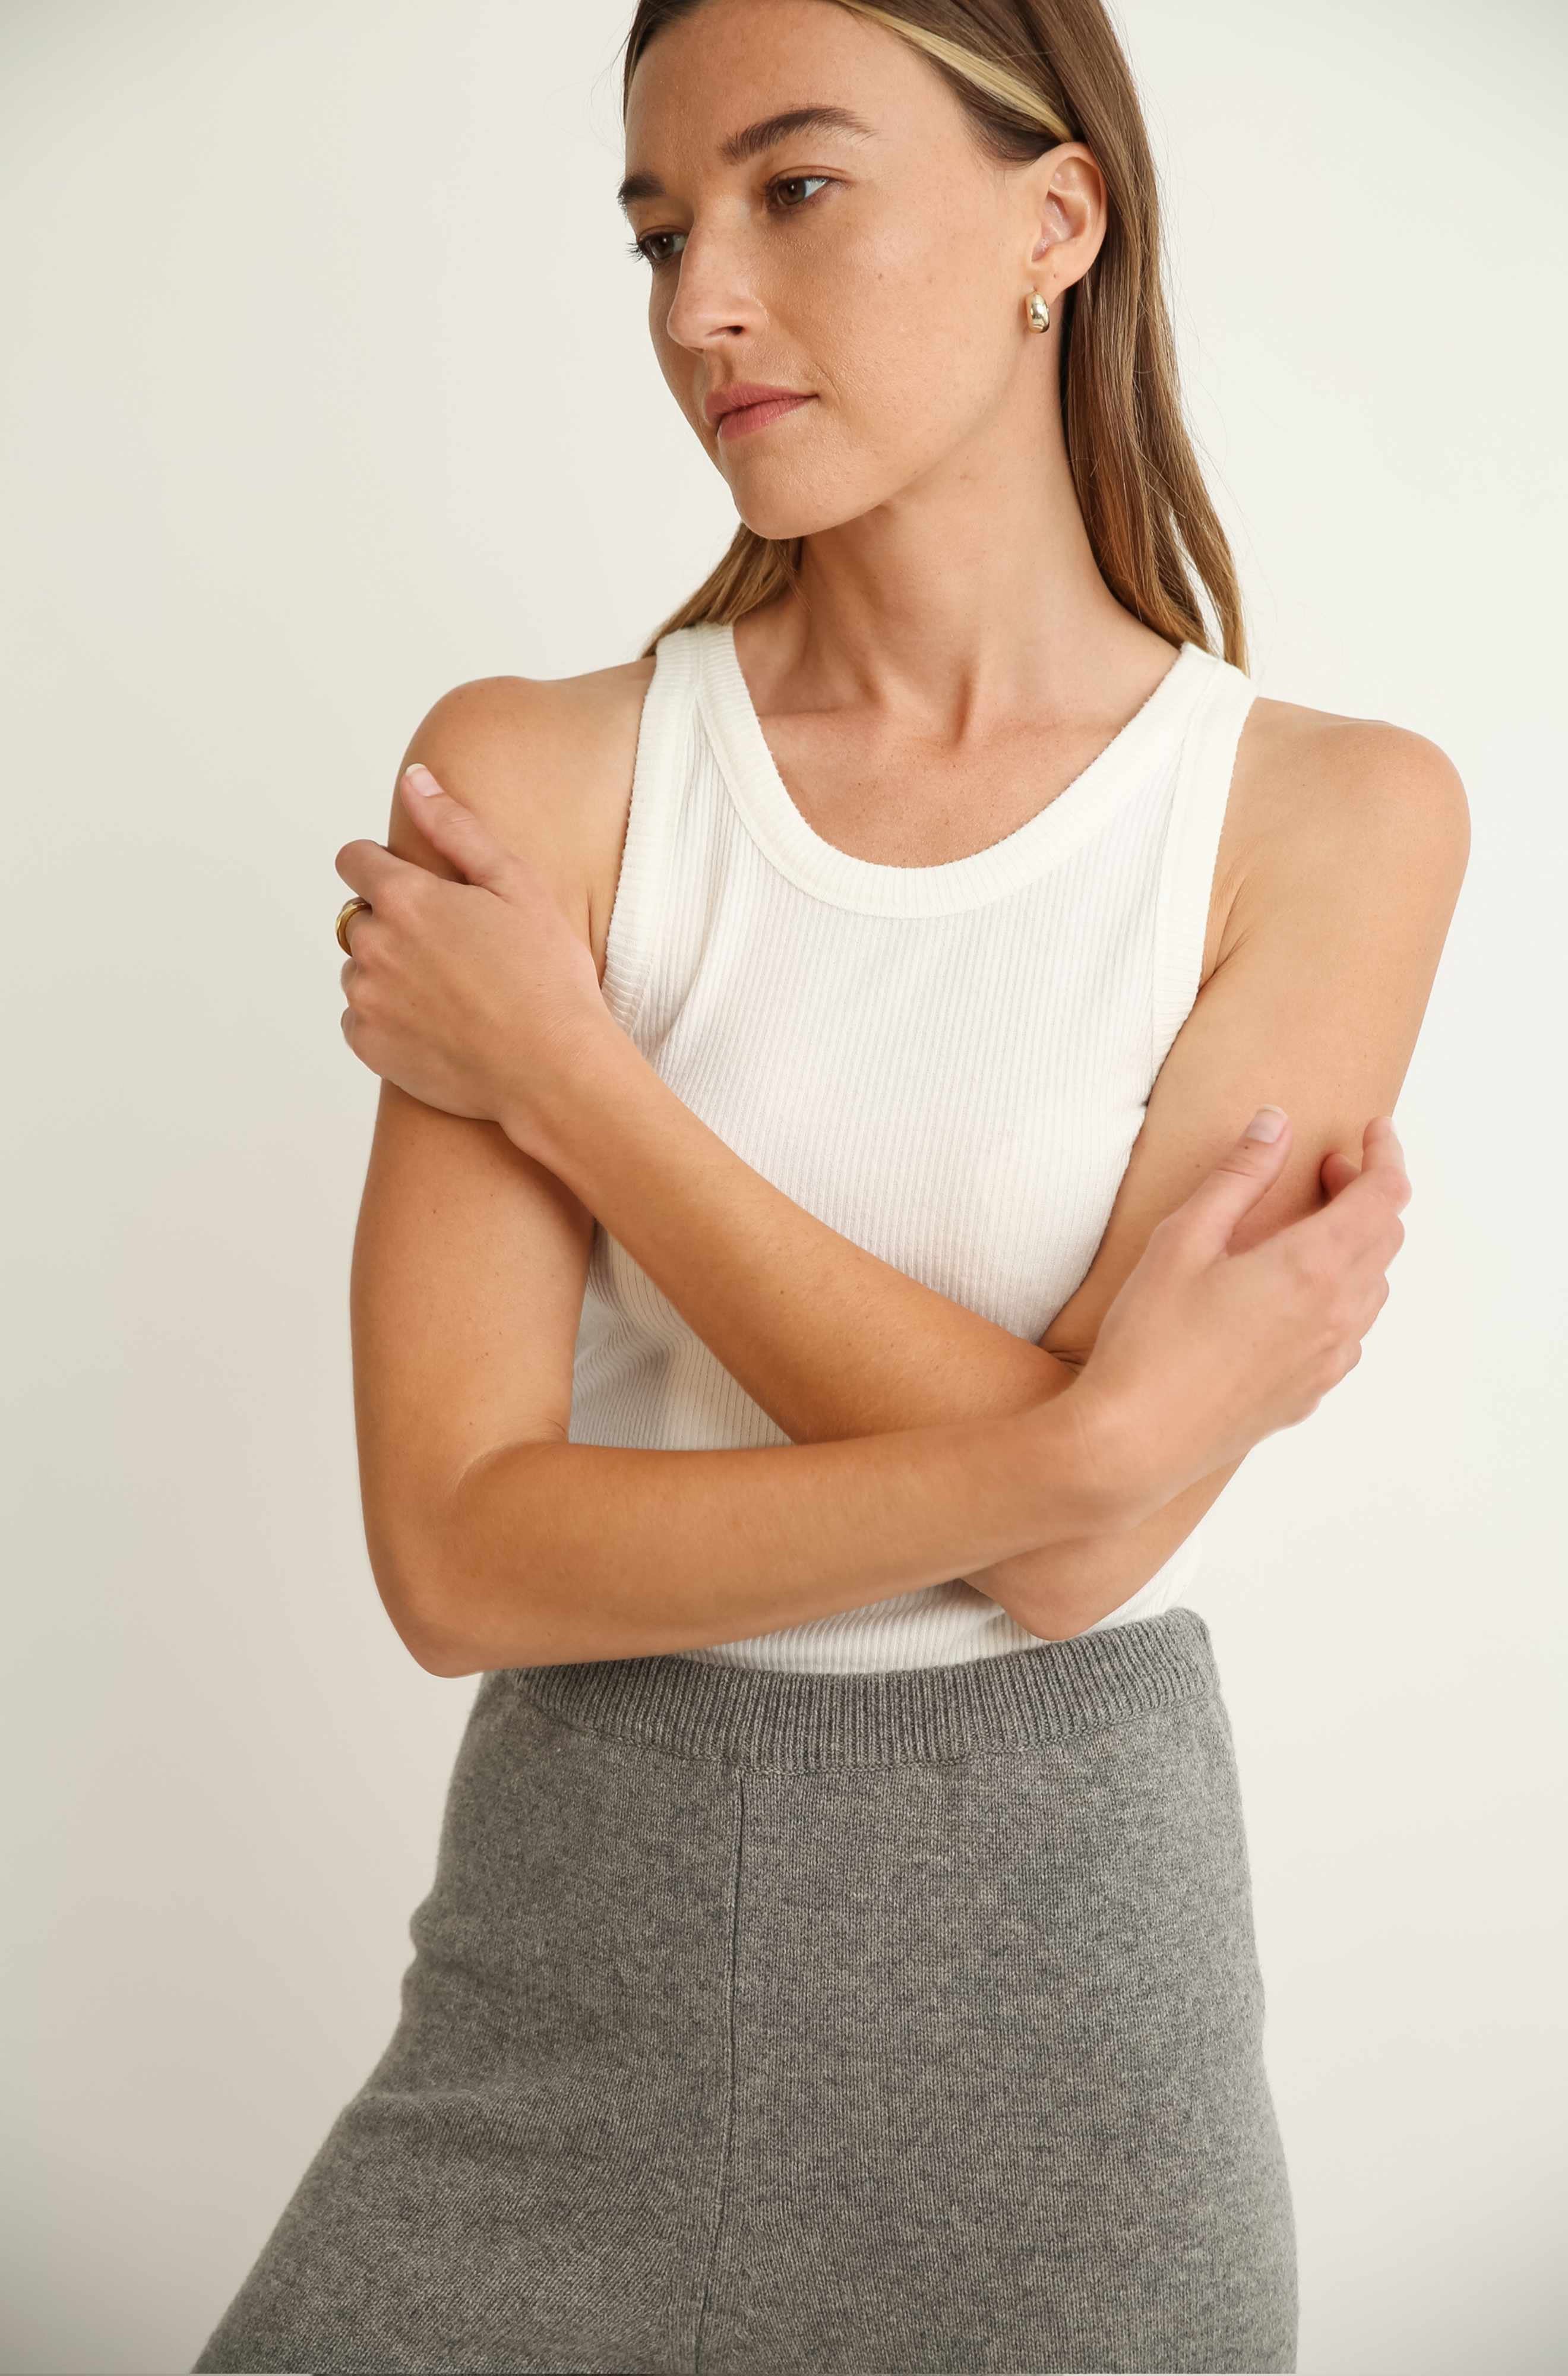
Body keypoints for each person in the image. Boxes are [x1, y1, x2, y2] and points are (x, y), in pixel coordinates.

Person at [191, 1, 1468, 2369]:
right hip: (567, 1985)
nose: (700, 302)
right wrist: (1077, 1435)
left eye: (793, 190)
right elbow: (461, 1553)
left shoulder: (1326, 817)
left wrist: (584, 1088)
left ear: (1050, 223)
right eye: (661, 229)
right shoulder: (536, 776)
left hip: (1070, 2034)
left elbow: (1093, 1548)